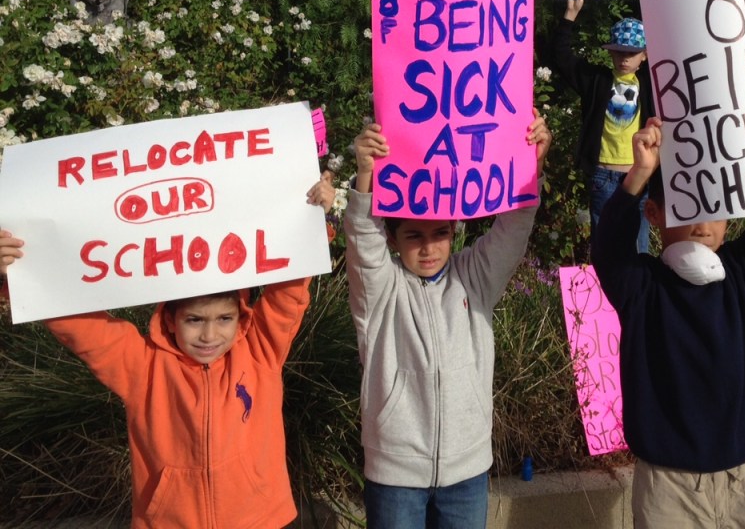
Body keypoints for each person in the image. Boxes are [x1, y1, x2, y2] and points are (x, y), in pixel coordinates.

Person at [0, 180, 332, 528]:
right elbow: (81, 327)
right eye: (194, 320)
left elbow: (288, 293)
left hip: (261, 519)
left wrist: (310, 221)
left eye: (224, 319)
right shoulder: (142, 365)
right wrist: (20, 275)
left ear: (242, 316)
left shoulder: (260, 350)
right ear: (170, 321)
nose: (209, 334)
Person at [591, 86, 745, 529]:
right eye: (687, 206)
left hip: (744, 477)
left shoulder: (739, 272)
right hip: (668, 486)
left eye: (717, 207)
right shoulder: (642, 285)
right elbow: (608, 247)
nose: (703, 223)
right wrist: (639, 173)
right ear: (654, 215)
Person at [331, 112, 550, 529]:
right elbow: (362, 241)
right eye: (413, 235)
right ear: (392, 238)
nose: (428, 247)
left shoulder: (476, 277)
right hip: (395, 476)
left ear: (454, 231)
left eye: (440, 233)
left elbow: (513, 228)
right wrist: (365, 175)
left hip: (466, 471)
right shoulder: (379, 290)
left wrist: (530, 166)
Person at [550, 0, 655, 251]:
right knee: (605, 250)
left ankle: (636, 292)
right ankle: (607, 293)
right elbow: (560, 56)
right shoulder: (596, 81)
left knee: (640, 249)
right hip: (603, 177)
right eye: (618, 51)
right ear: (610, 52)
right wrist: (570, 14)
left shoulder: (653, 84)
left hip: (639, 177)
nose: (624, 58)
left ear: (645, 56)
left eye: (632, 52)